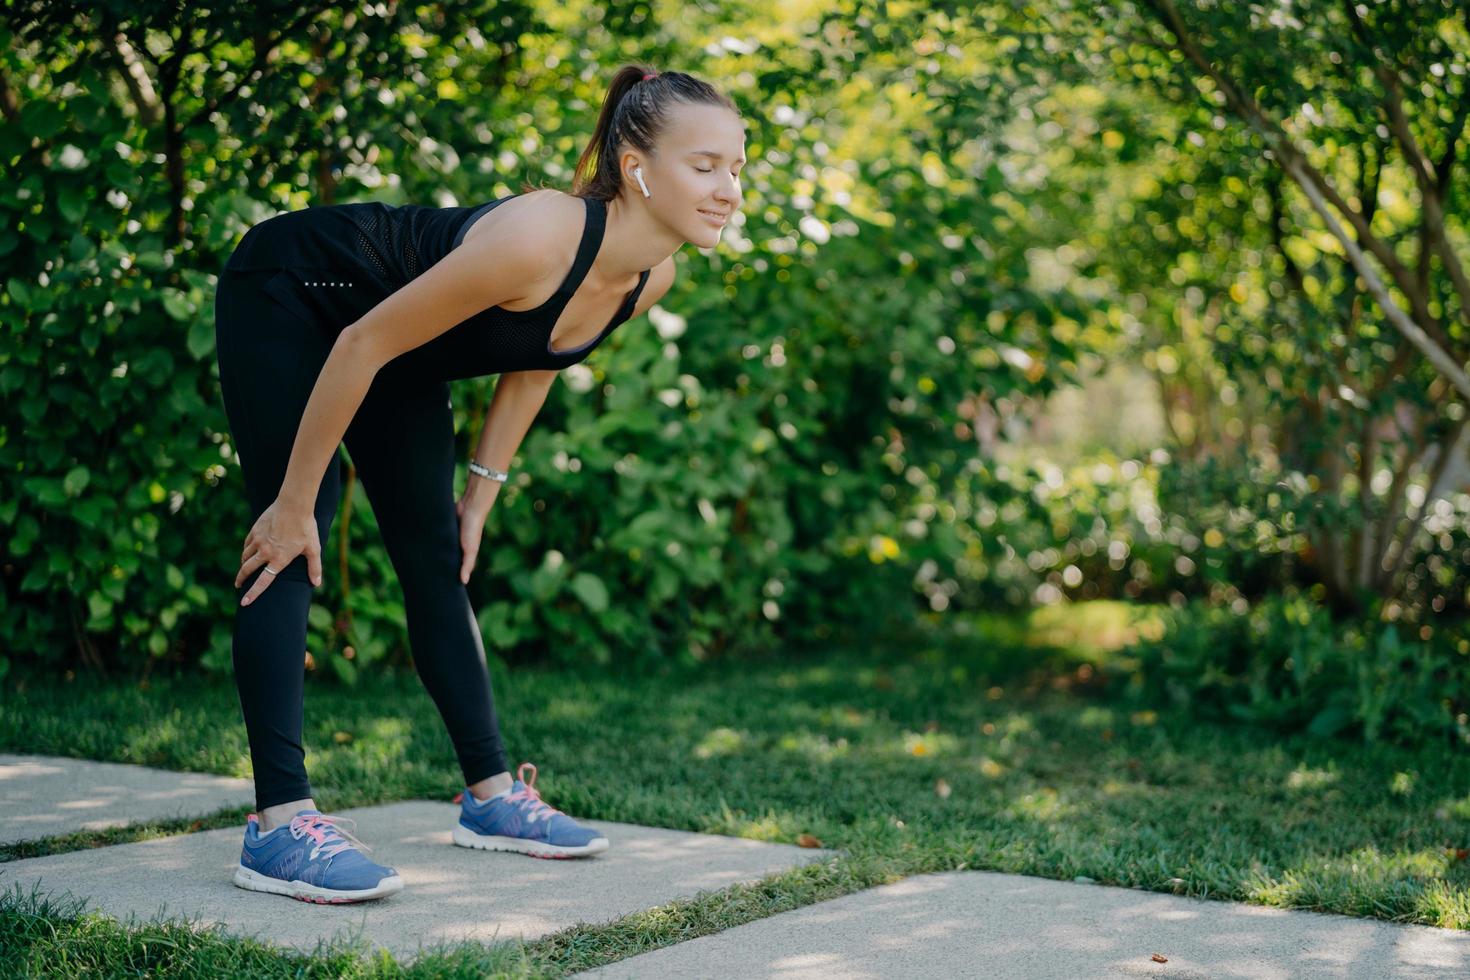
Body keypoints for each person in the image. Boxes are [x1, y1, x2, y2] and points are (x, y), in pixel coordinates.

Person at [214, 64, 746, 904]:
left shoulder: (651, 276)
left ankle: (491, 798)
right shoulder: (540, 234)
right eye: (705, 165)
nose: (728, 189)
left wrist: (480, 498)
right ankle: (278, 825)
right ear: (638, 166)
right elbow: (358, 343)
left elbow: (540, 361)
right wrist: (290, 501)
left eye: (737, 167)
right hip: (295, 292)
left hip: (388, 346)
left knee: (436, 552)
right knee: (292, 536)